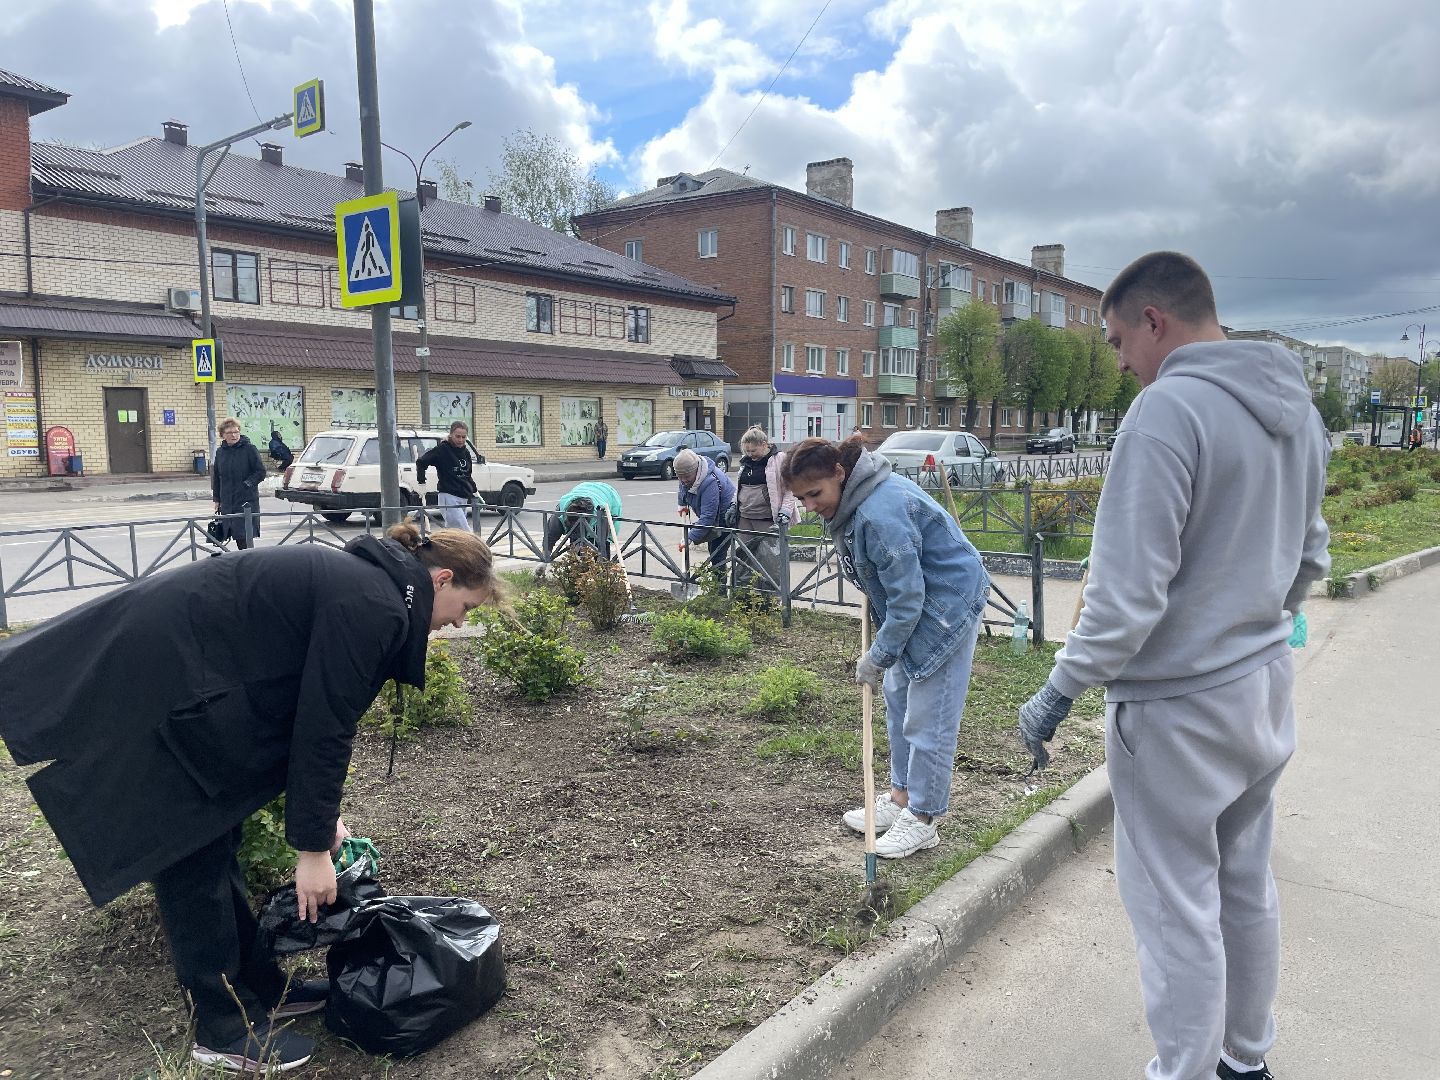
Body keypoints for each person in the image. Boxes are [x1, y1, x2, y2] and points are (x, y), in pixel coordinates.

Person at [0, 524, 502, 1073]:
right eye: (465, 606)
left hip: (198, 687)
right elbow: (323, 727)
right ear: (443, 578)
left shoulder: (368, 587)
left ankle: (259, 984)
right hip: (164, 685)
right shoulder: (374, 605)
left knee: (219, 839)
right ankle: (221, 1026)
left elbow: (301, 701)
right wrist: (311, 852)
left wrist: (323, 817)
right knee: (191, 857)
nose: (459, 621)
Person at [1016, 252, 1330, 1080]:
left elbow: (1123, 599)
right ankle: (1245, 1061)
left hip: (1176, 710)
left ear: (1155, 320)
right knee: (1244, 885)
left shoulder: (1165, 415)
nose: (1118, 363)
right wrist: (1255, 620)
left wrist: (1058, 690)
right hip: (1261, 691)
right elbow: (1312, 554)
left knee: (1172, 908)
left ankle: (1184, 1071)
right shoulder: (1298, 413)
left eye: (1119, 340)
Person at [782, 434, 990, 859]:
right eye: (801, 498)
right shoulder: (857, 499)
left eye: (814, 494)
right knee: (897, 700)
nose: (809, 506)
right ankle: (899, 798)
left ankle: (924, 818)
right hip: (913, 606)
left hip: (946, 606)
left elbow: (908, 599)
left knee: (928, 718)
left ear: (840, 473)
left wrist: (878, 655)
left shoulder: (880, 515)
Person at [733, 426, 797, 596]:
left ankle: (770, 598)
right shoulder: (746, 462)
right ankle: (744, 596)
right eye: (747, 451)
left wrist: (785, 511)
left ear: (764, 444)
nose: (750, 454)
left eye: (753, 450)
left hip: (767, 520)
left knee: (769, 561)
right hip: (745, 518)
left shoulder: (779, 460)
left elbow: (790, 489)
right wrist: (734, 506)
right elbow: (739, 488)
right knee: (744, 559)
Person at [675, 447, 736, 580]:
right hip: (712, 516)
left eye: (686, 477)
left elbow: (708, 518)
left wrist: (689, 537)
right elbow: (683, 487)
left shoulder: (711, 482)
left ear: (696, 470)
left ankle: (719, 592)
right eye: (680, 476)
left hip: (725, 517)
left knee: (717, 553)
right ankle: (717, 586)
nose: (683, 480)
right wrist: (682, 504)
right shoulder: (688, 475)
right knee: (714, 551)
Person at [540, 480, 623, 566]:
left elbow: (603, 545)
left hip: (608, 495)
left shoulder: (601, 515)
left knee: (599, 545)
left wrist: (601, 568)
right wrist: (544, 560)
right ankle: (577, 569)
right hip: (582, 489)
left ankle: (598, 572)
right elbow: (549, 538)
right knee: (576, 541)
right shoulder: (560, 514)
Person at [212, 417, 266, 549]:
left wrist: (247, 484)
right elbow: (217, 477)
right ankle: (240, 564)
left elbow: (261, 471)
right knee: (229, 535)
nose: (234, 435)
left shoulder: (249, 449)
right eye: (230, 433)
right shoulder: (220, 452)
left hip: (246, 501)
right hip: (227, 501)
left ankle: (249, 566)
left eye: (236, 432)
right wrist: (217, 499)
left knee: (244, 537)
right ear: (223, 435)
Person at [417, 421, 478, 529]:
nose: (460, 440)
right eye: (457, 436)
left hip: (463, 495)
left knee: (454, 532)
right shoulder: (442, 450)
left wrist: (473, 489)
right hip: (448, 495)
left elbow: (466, 475)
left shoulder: (466, 452)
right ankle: (475, 545)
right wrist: (421, 481)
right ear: (451, 435)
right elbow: (422, 462)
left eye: (464, 437)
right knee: (463, 532)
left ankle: (448, 545)